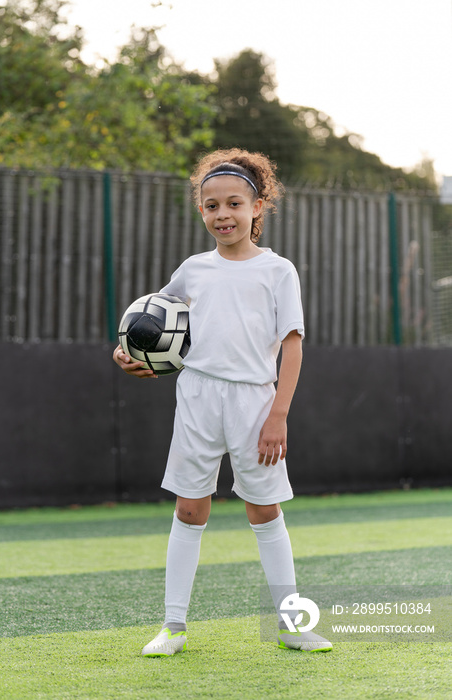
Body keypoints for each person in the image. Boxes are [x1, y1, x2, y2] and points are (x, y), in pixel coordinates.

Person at [113, 148, 332, 656]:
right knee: (190, 510)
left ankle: (292, 624)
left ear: (258, 208)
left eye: (234, 203)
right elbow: (148, 322)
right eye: (211, 206)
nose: (222, 214)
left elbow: (293, 344)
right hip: (196, 396)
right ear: (202, 212)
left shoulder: (279, 271)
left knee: (264, 510)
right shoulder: (192, 269)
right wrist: (127, 354)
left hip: (256, 403)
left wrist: (278, 414)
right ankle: (173, 627)